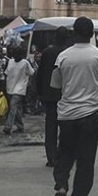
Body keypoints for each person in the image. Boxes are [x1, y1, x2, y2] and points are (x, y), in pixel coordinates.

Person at [50, 17, 98, 196]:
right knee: (86, 160)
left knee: (65, 154)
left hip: (67, 114)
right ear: (92, 33)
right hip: (90, 114)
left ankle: (61, 185)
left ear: (74, 33)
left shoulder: (62, 57)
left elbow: (55, 87)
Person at [37, 26, 72, 167]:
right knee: (67, 127)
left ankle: (51, 157)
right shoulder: (69, 53)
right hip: (67, 96)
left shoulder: (48, 52)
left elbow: (40, 75)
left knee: (51, 127)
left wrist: (39, 93)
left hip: (50, 96)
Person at [3, 47, 36, 135]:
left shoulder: (25, 63)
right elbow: (6, 74)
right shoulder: (10, 62)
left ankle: (8, 126)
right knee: (17, 108)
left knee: (12, 107)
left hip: (19, 89)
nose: (16, 56)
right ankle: (20, 126)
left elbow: (32, 73)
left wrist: (28, 84)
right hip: (10, 88)